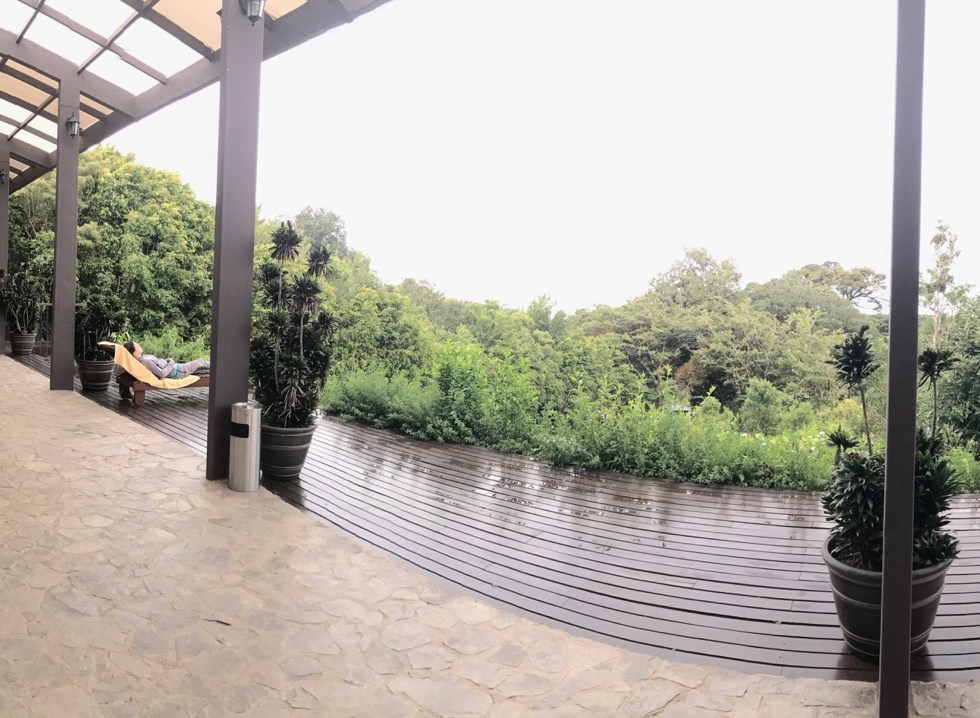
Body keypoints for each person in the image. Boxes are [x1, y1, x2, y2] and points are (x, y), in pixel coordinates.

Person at [123, 340, 210, 379]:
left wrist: (166, 361)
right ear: (134, 352)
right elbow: (162, 374)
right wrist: (171, 362)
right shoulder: (146, 362)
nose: (139, 344)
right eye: (136, 345)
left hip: (176, 368)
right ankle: (217, 366)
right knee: (200, 362)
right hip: (177, 371)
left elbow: (159, 364)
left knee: (202, 369)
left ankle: (216, 370)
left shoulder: (143, 357)